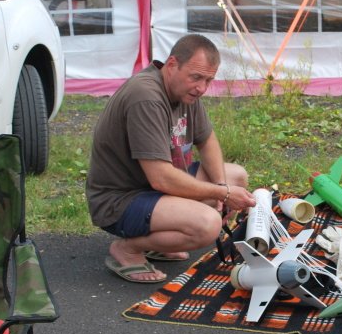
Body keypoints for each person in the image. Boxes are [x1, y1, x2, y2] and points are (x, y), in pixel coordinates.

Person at [87, 34, 256, 283]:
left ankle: (158, 241)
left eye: (208, 80)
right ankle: (127, 249)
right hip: (120, 200)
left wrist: (222, 186)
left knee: (236, 176)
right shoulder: (146, 97)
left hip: (152, 189)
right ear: (172, 64)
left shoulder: (184, 91)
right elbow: (161, 179)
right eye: (196, 77)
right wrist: (224, 195)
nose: (202, 88)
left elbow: (206, 140)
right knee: (207, 225)